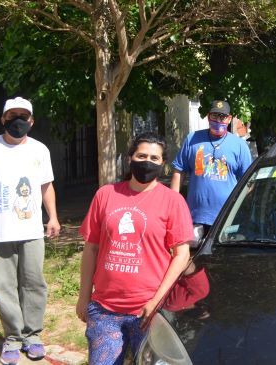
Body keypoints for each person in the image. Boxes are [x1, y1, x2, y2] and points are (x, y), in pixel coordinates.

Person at [76, 132, 193, 365]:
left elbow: (181, 255)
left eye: (154, 157)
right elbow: (91, 249)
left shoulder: (172, 201)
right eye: (141, 155)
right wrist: (83, 297)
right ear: (130, 158)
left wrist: (156, 301)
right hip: (104, 309)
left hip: (149, 311)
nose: (147, 162)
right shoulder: (106, 195)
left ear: (163, 164)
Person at [0, 96, 61, 364]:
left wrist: (53, 217)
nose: (17, 121)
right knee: (4, 287)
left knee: (34, 283)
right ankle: (12, 337)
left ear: (32, 121)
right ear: (2, 119)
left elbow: (46, 185)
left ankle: (32, 335)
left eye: (23, 116)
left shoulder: (40, 150)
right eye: (12, 116)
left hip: (31, 230)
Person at [171, 100, 252, 234]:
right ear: (208, 116)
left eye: (222, 117)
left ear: (229, 119)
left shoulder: (239, 146)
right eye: (215, 116)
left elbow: (248, 183)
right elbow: (179, 171)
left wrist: (242, 210)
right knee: (193, 254)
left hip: (227, 218)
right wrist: (172, 203)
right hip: (195, 217)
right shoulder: (192, 139)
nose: (218, 120)